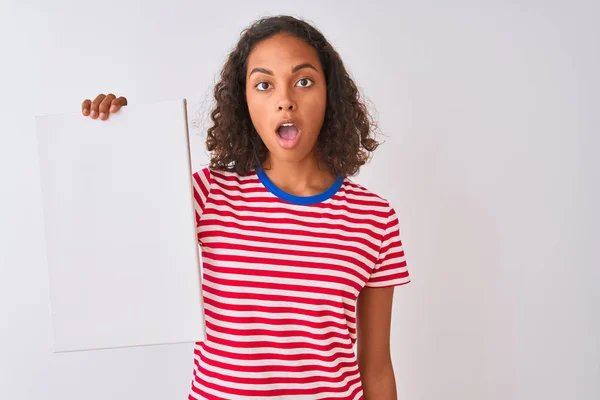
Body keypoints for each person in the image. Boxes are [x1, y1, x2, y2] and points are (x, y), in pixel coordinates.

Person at [81, 14, 410, 400]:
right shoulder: (208, 194)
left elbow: (376, 368)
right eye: (264, 85)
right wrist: (117, 134)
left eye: (303, 81)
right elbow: (113, 235)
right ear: (244, 100)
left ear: (330, 93)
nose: (285, 100)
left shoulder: (373, 217)